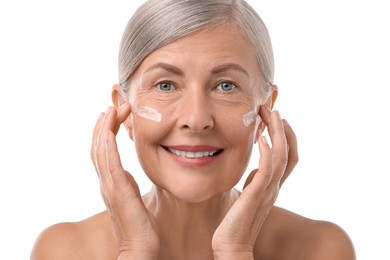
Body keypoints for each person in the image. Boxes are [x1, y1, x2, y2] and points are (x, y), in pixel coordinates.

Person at [30, 0, 356, 259]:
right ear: (123, 112)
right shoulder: (65, 251)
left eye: (226, 86)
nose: (196, 118)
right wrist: (135, 251)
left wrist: (235, 250)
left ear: (264, 111)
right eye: (166, 85)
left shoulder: (319, 250)